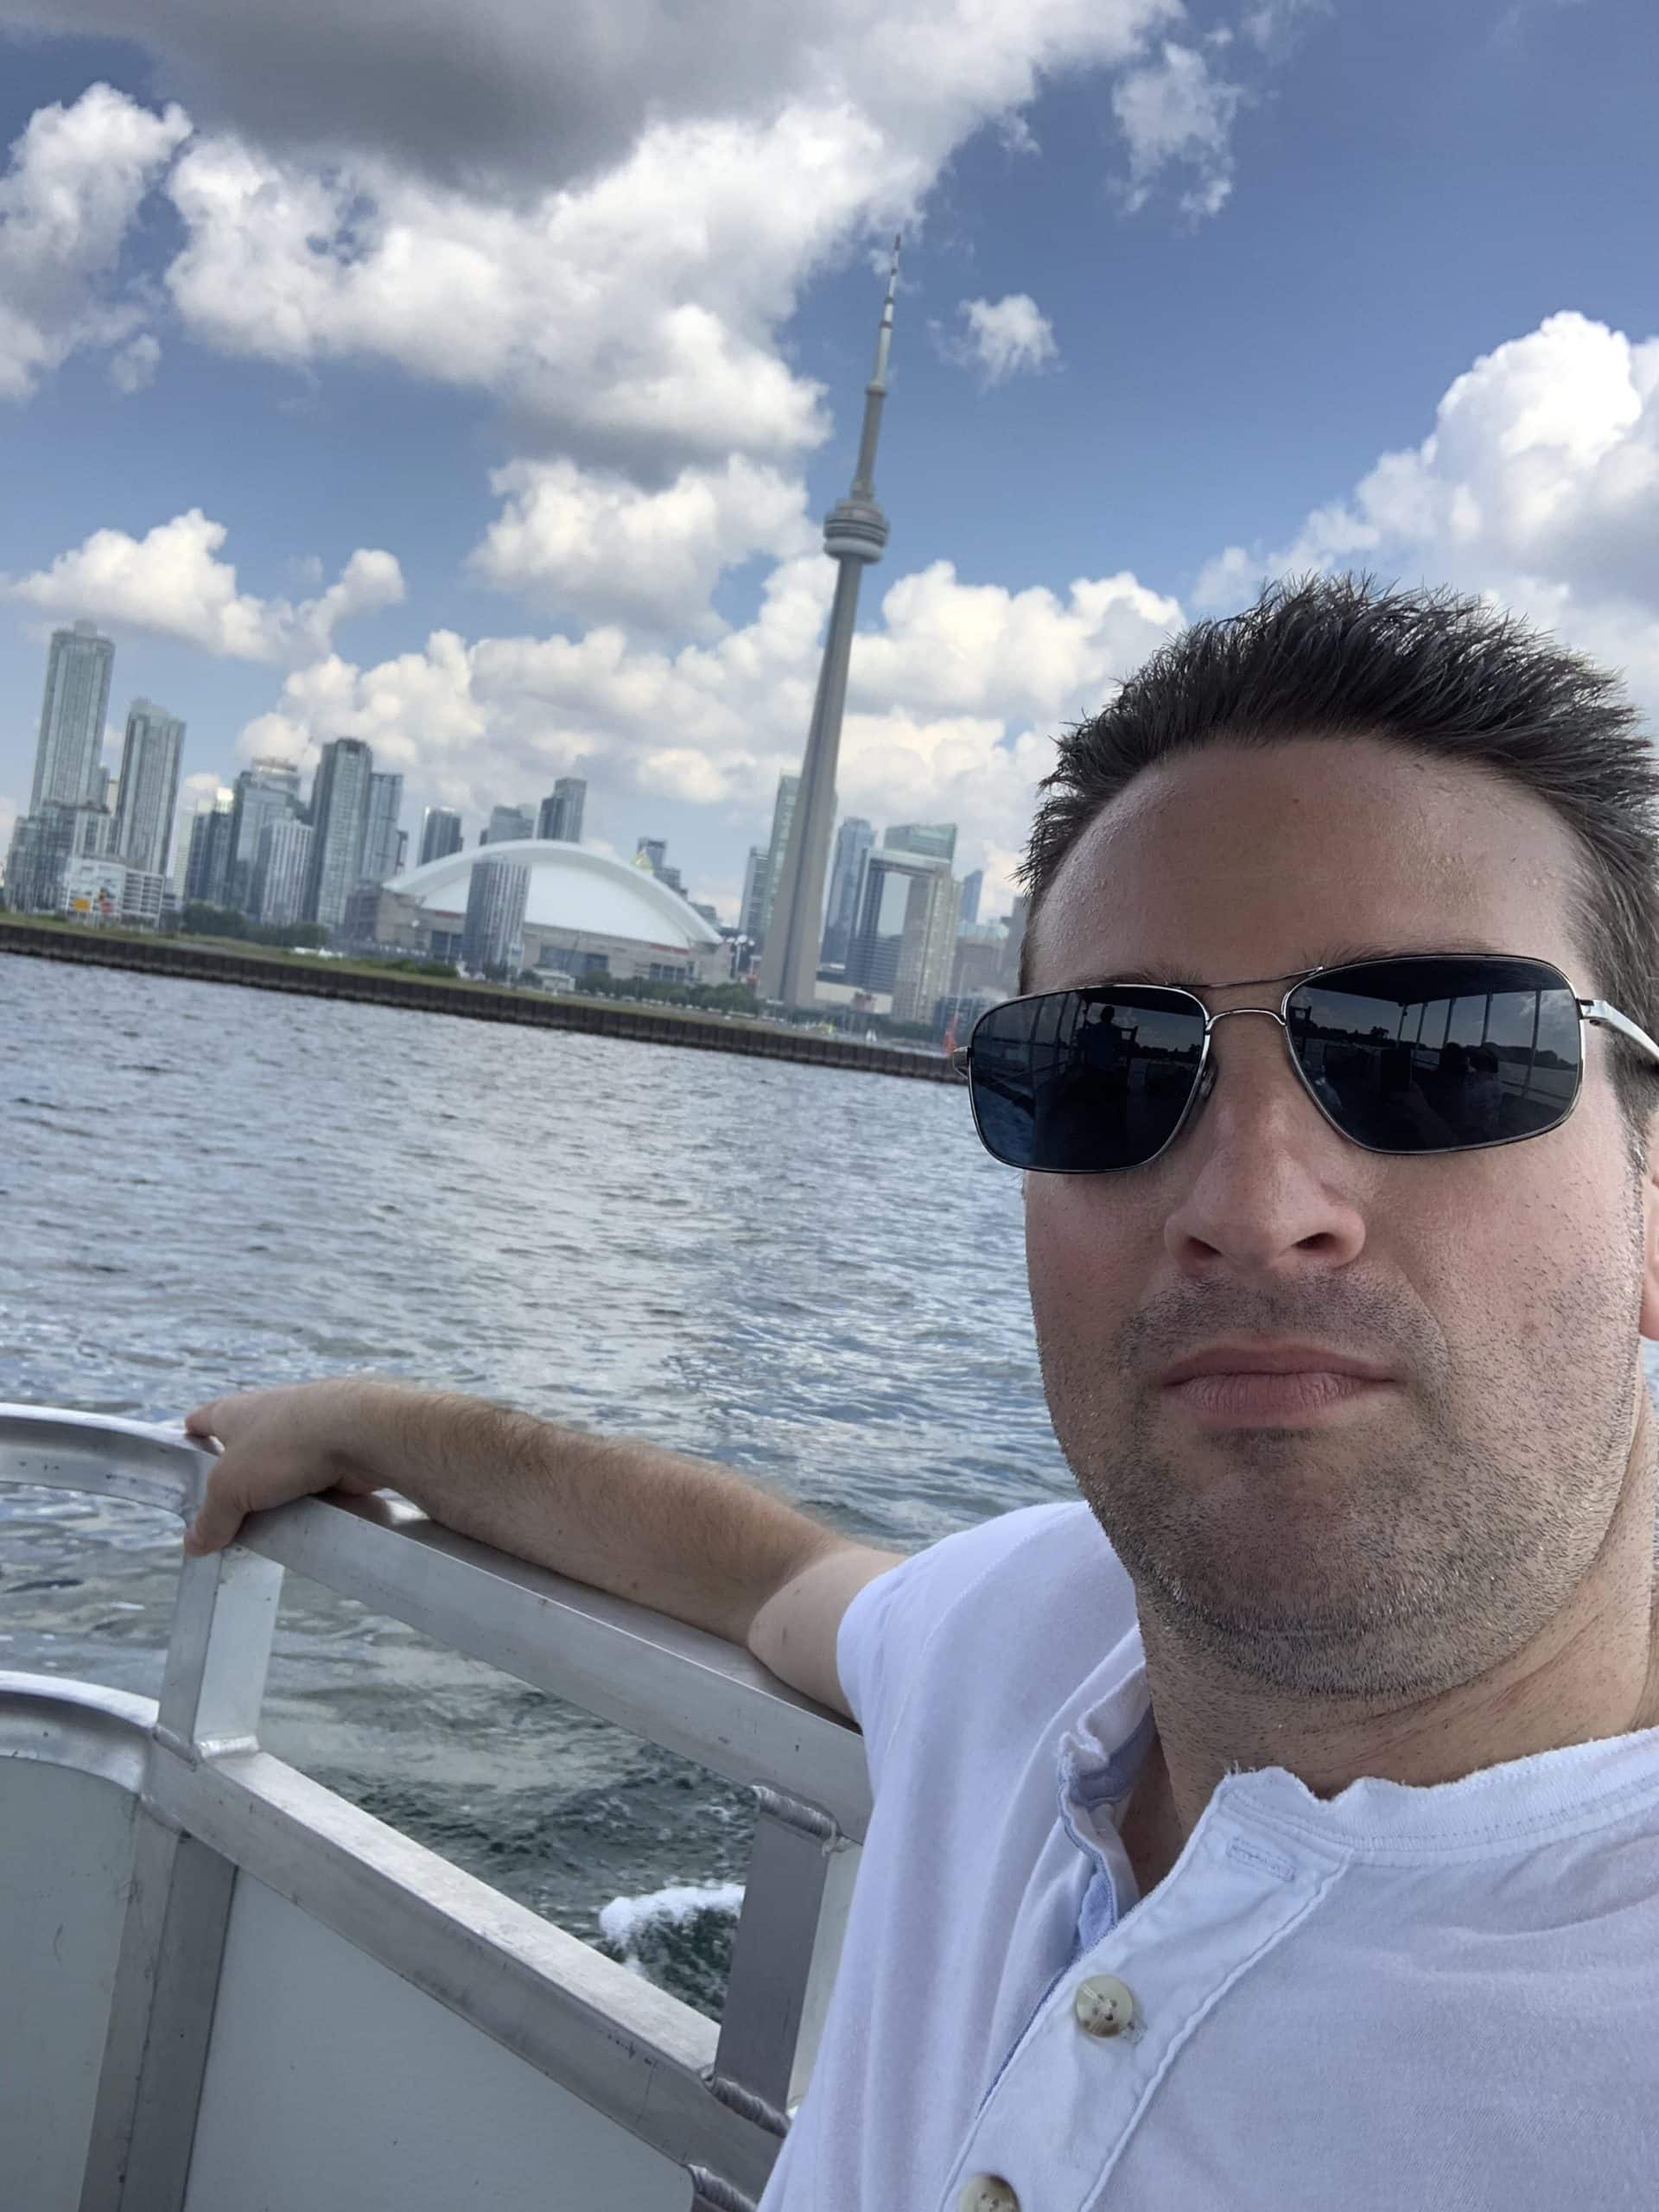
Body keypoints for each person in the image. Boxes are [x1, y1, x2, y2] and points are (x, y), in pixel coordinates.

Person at [183, 576, 1659, 2210]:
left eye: (1437, 1048)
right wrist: (375, 1421)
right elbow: (758, 1573)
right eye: (1103, 1068)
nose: (1250, 1197)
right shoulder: (1035, 1633)